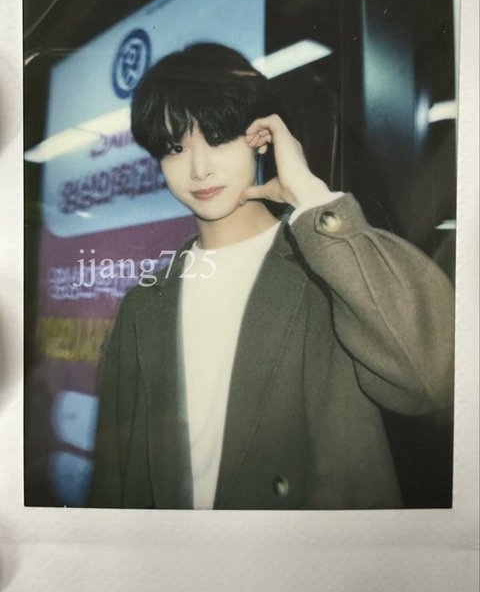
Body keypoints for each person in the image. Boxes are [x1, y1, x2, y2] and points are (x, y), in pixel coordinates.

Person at [89, 42, 454, 510]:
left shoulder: (327, 265)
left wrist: (312, 200)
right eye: (176, 147)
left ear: (260, 137)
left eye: (218, 138)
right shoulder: (144, 303)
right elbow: (114, 479)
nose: (199, 169)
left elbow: (433, 379)